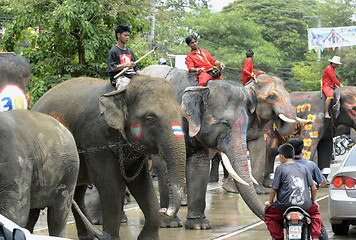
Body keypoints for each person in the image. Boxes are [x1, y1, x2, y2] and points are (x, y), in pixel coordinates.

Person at [264, 143, 321, 240]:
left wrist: (270, 202)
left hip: (283, 205)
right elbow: (314, 188)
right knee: (315, 215)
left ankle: (279, 237)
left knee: (268, 215)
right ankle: (315, 236)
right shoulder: (304, 167)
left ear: (281, 156)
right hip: (305, 205)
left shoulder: (280, 168)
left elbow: (273, 189)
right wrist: (312, 201)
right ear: (293, 155)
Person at [287, 137, 328, 240]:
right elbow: (320, 183)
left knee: (277, 222)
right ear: (302, 149)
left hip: (286, 204)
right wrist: (313, 201)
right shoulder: (310, 165)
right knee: (319, 225)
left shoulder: (282, 166)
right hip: (306, 203)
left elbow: (275, 187)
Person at [107, 24, 141, 89]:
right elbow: (112, 68)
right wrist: (125, 65)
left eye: (128, 35)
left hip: (133, 77)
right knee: (125, 89)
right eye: (125, 35)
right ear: (118, 35)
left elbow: (136, 68)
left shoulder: (130, 52)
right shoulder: (114, 51)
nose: (127, 37)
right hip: (121, 78)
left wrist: (143, 76)